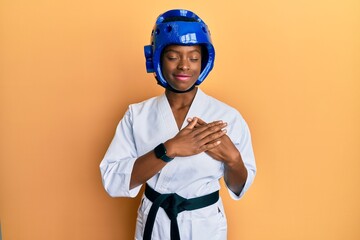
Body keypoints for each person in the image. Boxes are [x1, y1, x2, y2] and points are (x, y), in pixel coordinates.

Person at [100, 9, 256, 240]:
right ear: (157, 59)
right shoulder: (137, 115)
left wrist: (233, 160)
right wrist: (168, 150)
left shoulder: (227, 116)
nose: (184, 66)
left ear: (204, 62)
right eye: (173, 57)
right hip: (156, 223)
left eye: (193, 57)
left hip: (205, 225)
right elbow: (113, 180)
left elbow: (238, 187)